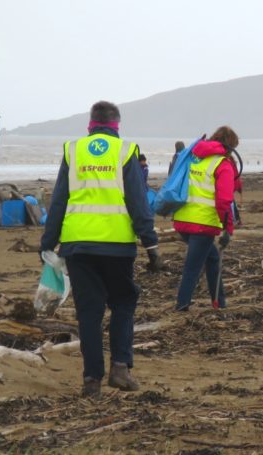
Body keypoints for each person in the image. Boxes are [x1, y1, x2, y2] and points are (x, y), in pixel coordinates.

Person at [40, 101, 162, 398]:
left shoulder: (73, 150)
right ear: (116, 125)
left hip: (78, 246)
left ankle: (91, 380)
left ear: (90, 125)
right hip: (117, 245)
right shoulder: (125, 150)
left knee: (89, 313)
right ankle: (120, 368)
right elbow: (137, 201)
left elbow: (59, 200)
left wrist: (47, 242)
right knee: (123, 302)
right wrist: (151, 244)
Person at [173, 126, 237, 311]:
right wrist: (228, 229)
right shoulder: (222, 164)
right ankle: (181, 305)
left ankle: (219, 301)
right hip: (203, 225)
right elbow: (224, 200)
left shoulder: (193, 158)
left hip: (182, 220)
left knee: (212, 259)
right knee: (192, 267)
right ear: (231, 146)